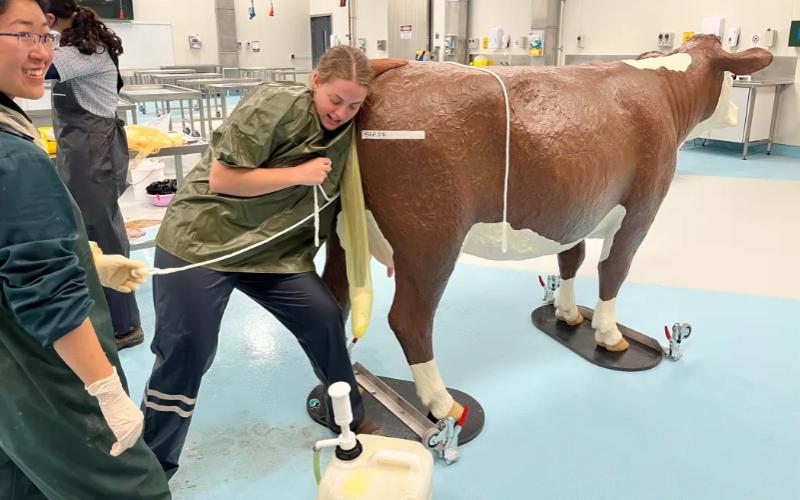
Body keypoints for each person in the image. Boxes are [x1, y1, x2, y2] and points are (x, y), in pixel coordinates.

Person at [141, 46, 405, 478]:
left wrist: (377, 247)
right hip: (204, 241)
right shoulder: (274, 105)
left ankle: (349, 421)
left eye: (355, 105)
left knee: (323, 318)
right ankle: (151, 466)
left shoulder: (343, 114)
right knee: (187, 349)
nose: (342, 112)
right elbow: (223, 178)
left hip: (275, 254)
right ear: (315, 81)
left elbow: (352, 83)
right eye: (335, 100)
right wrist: (298, 174)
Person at [0, 0, 171, 497]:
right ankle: (124, 326)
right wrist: (105, 392)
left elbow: (19, 240)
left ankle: (123, 316)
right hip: (49, 371)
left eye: (45, 34)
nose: (40, 50)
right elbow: (45, 288)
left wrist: (89, 260)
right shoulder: (12, 156)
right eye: (24, 34)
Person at [46, 0, 143, 350]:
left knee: (104, 234)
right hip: (80, 152)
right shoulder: (75, 43)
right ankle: (106, 314)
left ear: (50, 18)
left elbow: (41, 68)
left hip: (93, 151)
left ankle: (125, 325)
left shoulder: (83, 51)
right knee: (88, 232)